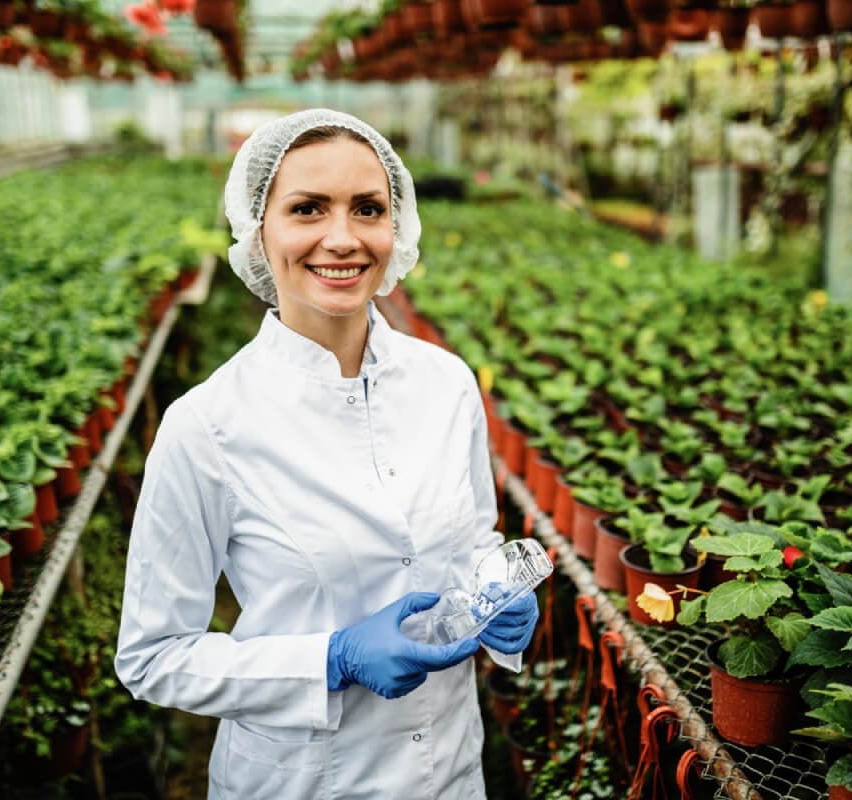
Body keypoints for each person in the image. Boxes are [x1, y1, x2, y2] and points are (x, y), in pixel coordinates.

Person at [114, 108, 539, 799]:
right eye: (307, 208)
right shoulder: (207, 426)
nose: (342, 238)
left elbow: (470, 538)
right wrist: (329, 661)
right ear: (259, 230)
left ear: (397, 227)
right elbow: (154, 657)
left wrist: (498, 593)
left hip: (451, 770)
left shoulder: (446, 383)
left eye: (367, 209)